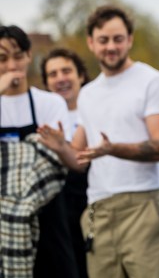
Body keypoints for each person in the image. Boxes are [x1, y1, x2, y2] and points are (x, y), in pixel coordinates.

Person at [38, 5, 159, 278]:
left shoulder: (152, 82)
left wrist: (113, 149)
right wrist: (60, 147)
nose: (110, 46)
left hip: (144, 205)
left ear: (129, 39)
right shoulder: (88, 94)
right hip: (98, 211)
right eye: (103, 40)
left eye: (117, 39)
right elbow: (79, 159)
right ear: (91, 43)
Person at [0, 25, 78, 278]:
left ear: (29, 56)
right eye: (2, 58)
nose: (12, 65)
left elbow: (70, 162)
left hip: (47, 212)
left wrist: (60, 146)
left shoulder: (48, 102)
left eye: (18, 56)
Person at [40, 48, 90, 278]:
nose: (60, 78)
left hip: (89, 199)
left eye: (66, 71)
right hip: (56, 206)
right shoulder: (42, 116)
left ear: (80, 75)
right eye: (53, 74)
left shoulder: (94, 107)